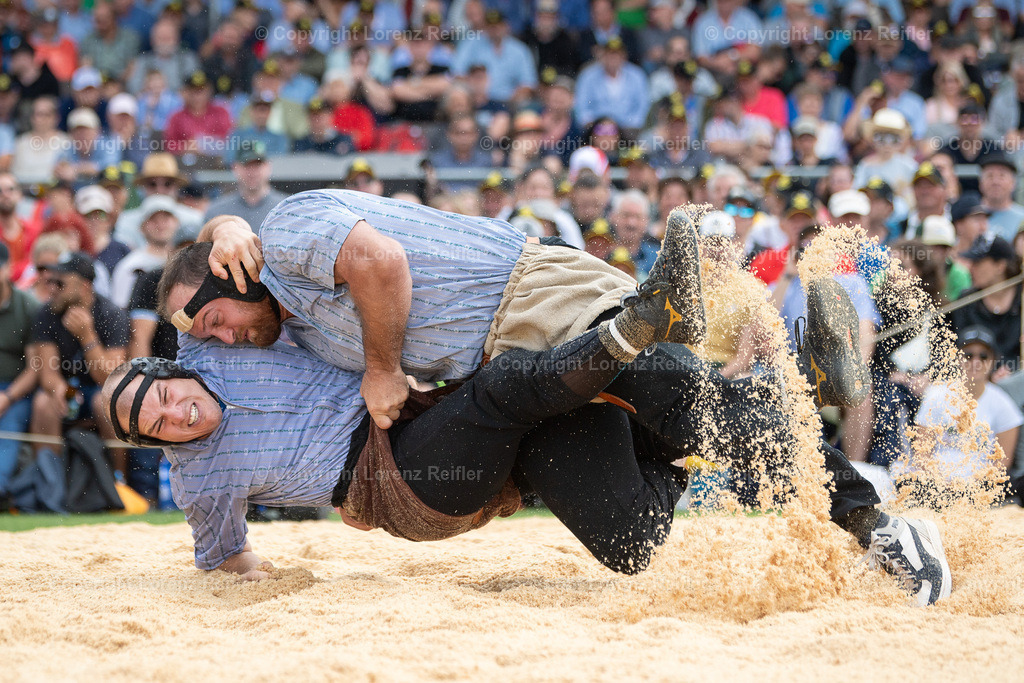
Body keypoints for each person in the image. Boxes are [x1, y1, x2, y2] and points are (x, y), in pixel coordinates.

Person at [122, 213, 950, 605]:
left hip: (526, 302)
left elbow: (379, 259)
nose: (219, 339)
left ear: (233, 268)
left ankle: (874, 521)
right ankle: (795, 380)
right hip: (507, 379)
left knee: (680, 399)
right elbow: (177, 348)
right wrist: (217, 223)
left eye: (215, 318)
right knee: (629, 537)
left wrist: (380, 368)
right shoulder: (271, 333)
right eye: (204, 336)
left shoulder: (283, 236)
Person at [29, 252, 128, 474]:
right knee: (43, 403)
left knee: (105, 403)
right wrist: (60, 389)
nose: (52, 288)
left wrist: (87, 336)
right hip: (69, 389)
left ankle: (118, 480)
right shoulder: (47, 313)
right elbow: (47, 373)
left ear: (84, 286)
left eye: (60, 283)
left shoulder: (111, 315)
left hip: (98, 390)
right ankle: (49, 483)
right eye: (51, 282)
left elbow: (110, 379)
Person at [905, 327, 1022, 486]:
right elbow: (922, 453)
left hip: (981, 488)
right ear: (957, 358)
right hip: (935, 484)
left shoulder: (1003, 404)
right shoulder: (936, 396)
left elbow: (1001, 465)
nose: (975, 362)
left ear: (993, 360)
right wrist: (941, 483)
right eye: (968, 355)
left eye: (983, 356)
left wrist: (970, 487)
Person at [0, 243, 40, 511]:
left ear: (7, 269)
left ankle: (0, 489)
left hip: (16, 391)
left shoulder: (27, 305)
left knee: (9, 424)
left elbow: (36, 367)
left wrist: (7, 397)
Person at [950, 235, 1022, 375]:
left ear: (1000, 266)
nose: (971, 268)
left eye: (977, 262)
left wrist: (1012, 371)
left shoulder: (1022, 299)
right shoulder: (966, 301)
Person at [110, 195, 180, 309]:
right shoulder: (130, 266)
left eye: (166, 219)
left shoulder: (184, 262)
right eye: (154, 220)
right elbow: (120, 308)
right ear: (142, 227)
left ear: (176, 222)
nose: (160, 225)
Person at [202, 143, 286, 228]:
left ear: (268, 167)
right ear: (235, 168)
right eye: (246, 165)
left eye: (257, 165)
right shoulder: (217, 212)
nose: (252, 172)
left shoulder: (286, 209)